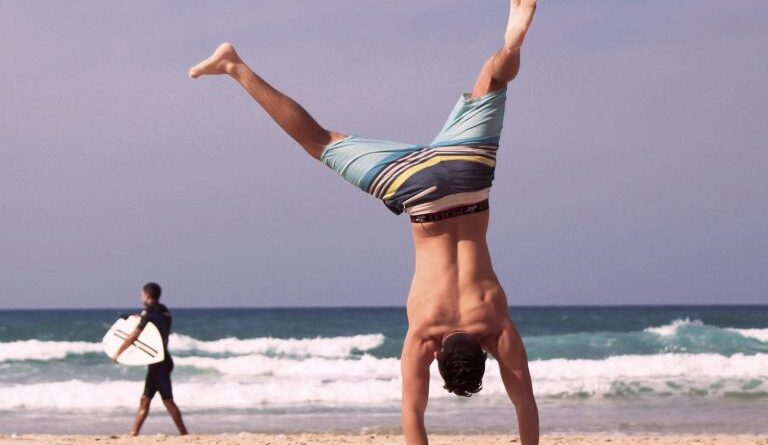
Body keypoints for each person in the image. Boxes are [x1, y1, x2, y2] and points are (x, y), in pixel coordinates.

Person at [188, 1, 539, 443]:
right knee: (320, 141)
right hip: (417, 193)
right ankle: (234, 66)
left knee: (492, 79)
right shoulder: (424, 335)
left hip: (468, 177)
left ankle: (511, 46)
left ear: (485, 352)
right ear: (436, 356)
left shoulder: (496, 325)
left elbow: (526, 405)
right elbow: (413, 415)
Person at [112, 282, 188, 436]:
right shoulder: (165, 311)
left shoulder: (149, 313)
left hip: (159, 364)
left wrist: (118, 353)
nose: (141, 297)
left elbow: (134, 335)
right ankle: (133, 433)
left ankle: (185, 434)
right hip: (162, 360)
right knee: (145, 399)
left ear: (147, 295)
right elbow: (153, 322)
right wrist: (133, 317)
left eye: (142, 294)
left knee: (168, 400)